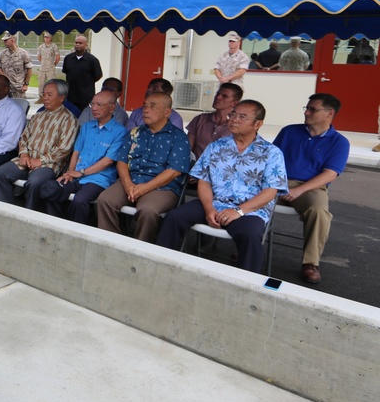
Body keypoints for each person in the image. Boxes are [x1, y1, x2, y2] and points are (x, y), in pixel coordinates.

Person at [157, 100, 288, 273]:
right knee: (174, 218)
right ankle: (160, 266)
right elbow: (204, 180)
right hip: (216, 202)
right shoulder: (217, 146)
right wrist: (208, 208)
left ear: (258, 124)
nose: (234, 119)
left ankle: (246, 284)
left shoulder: (271, 153)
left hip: (250, 210)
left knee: (250, 234)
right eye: (233, 114)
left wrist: (239, 211)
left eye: (242, 117)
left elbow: (270, 191)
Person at [272, 94, 351, 284]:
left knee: (319, 211)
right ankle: (250, 244)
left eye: (312, 109)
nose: (306, 113)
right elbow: (270, 157)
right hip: (277, 181)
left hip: (310, 187)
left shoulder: (339, 142)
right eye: (306, 108)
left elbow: (330, 174)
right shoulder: (289, 131)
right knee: (252, 199)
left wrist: (299, 190)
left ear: (329, 113)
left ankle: (310, 263)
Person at [96, 92, 191, 243]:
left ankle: (141, 249)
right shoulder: (136, 132)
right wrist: (128, 185)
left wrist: (145, 188)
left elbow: (174, 171)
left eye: (153, 106)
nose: (145, 110)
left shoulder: (178, 137)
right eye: (145, 106)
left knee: (148, 211)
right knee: (105, 200)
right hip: (131, 181)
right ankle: (111, 244)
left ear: (167, 112)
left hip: (162, 187)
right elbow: (121, 161)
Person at [39, 90, 128, 224]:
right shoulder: (87, 127)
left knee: (80, 201)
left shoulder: (120, 131)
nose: (94, 108)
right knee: (50, 189)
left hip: (98, 179)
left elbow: (108, 161)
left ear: (112, 107)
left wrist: (80, 173)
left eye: (99, 105)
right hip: (76, 175)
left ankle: (78, 234)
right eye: (93, 104)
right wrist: (70, 173)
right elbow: (76, 152)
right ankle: (58, 224)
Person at [0, 79, 78, 209]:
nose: (45, 98)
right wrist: (24, 154)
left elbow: (64, 149)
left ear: (61, 98)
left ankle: (30, 216)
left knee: (35, 182)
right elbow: (24, 137)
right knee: (0, 173)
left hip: (49, 164)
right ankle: (7, 211)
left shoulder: (69, 119)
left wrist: (41, 160)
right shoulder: (38, 116)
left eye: (50, 95)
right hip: (27, 159)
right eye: (44, 94)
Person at [186, 83, 243, 159]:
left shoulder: (238, 125)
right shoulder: (200, 119)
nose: (218, 97)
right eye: (217, 94)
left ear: (234, 103)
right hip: (197, 167)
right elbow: (187, 149)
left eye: (224, 96)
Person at [61, 34, 103, 112]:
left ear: (86, 45)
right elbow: (66, 72)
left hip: (85, 97)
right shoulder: (68, 58)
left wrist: (87, 83)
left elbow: (98, 75)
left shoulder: (92, 60)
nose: (77, 45)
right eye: (76, 42)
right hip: (71, 96)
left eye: (80, 43)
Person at [0, 31, 32, 98]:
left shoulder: (23, 54)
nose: (4, 42)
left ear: (12, 40)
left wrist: (26, 84)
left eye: (6, 40)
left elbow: (29, 69)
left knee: (19, 107)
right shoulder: (3, 54)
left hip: (18, 89)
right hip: (5, 88)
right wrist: (3, 76)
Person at [37, 32, 61, 98]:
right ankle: (41, 97)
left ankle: (52, 97)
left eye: (47, 37)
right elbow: (39, 57)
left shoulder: (54, 46)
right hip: (42, 69)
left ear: (51, 38)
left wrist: (53, 65)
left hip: (50, 69)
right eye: (45, 37)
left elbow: (58, 57)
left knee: (52, 83)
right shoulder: (41, 47)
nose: (46, 38)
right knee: (41, 84)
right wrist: (43, 63)